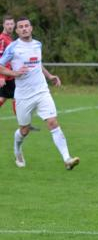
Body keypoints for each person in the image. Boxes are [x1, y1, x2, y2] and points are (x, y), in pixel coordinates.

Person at [0, 17, 79, 170]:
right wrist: (14, 73)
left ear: (31, 28)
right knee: (24, 130)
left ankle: (67, 159)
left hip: (42, 91)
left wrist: (49, 76)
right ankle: (17, 150)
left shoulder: (38, 44)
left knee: (52, 122)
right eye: (20, 27)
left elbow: (38, 63)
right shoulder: (13, 47)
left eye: (26, 26)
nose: (24, 28)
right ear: (17, 31)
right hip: (23, 95)